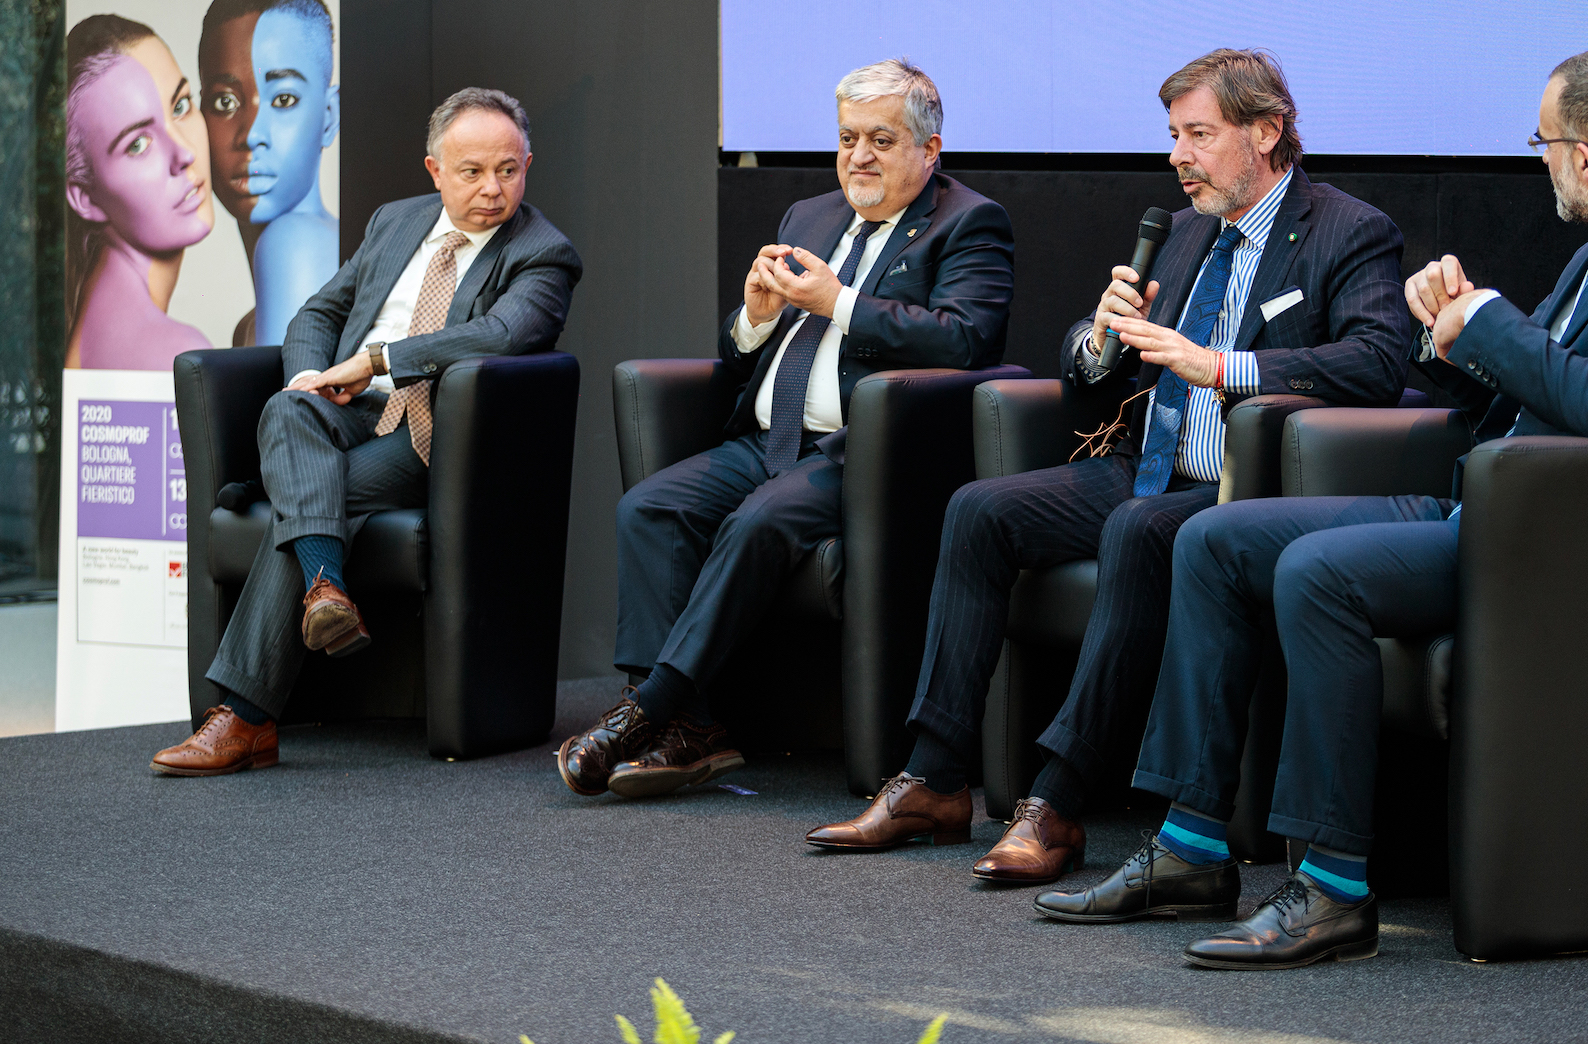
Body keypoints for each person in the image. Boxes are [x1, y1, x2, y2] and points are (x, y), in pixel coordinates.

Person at [1034, 50, 1588, 970]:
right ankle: (1190, 848)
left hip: (1561, 544)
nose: (1540, 160)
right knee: (1212, 541)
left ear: (1585, 156)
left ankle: (1332, 889)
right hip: (1486, 504)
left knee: (1317, 573)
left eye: (1541, 143)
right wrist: (1446, 335)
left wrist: (1486, 319)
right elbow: (1534, 390)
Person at [804, 49, 1413, 878]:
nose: (1178, 157)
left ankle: (1056, 803)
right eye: (1173, 136)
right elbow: (1096, 374)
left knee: (1137, 527)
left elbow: (1377, 361)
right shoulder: (1186, 231)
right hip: (1147, 464)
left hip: (1244, 490)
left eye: (1199, 135)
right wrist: (1099, 339)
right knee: (979, 509)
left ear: (1267, 132)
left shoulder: (1348, 229)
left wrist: (1223, 366)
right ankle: (934, 779)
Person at [557, 59, 1015, 801]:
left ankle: (646, 710)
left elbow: (966, 340)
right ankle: (692, 731)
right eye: (847, 139)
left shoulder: (969, 223)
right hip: (766, 440)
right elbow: (739, 358)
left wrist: (840, 302)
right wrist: (753, 319)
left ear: (929, 150)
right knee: (650, 506)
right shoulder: (809, 217)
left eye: (881, 141)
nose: (858, 157)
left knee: (756, 522)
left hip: (862, 454)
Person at [150, 87, 583, 776]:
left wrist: (378, 360)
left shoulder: (543, 252)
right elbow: (317, 314)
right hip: (346, 409)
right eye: (472, 171)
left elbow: (501, 335)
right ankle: (325, 591)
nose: (493, 189)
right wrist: (309, 379)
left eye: (509, 170)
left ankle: (244, 718)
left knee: (312, 499)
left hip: (432, 434)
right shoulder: (396, 222)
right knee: (286, 410)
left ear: (527, 164)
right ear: (435, 170)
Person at [197, 0, 341, 347]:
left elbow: (295, 389)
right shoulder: (250, 322)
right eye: (224, 102)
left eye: (284, 99)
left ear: (329, 116)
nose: (251, 134)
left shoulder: (294, 241)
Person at [63, 14, 216, 371]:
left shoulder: (96, 325)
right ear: (85, 197)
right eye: (137, 144)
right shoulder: (176, 352)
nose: (185, 152)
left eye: (180, 106)